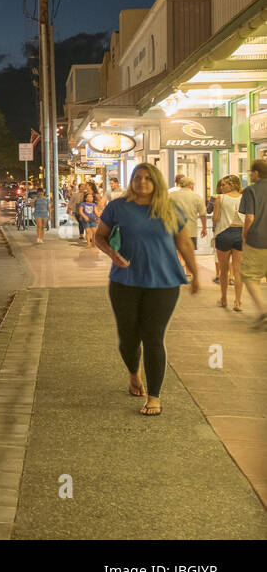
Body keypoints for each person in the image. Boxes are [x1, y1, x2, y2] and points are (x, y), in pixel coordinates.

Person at [95, 163, 198, 416]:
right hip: (124, 281)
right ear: (131, 181)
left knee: (153, 338)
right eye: (138, 177)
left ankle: (154, 396)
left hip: (164, 283)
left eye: (148, 178)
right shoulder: (118, 207)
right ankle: (133, 373)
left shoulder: (170, 208)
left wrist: (195, 274)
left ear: (157, 182)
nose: (142, 182)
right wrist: (112, 254)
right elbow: (100, 236)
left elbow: (183, 242)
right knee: (128, 339)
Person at [236, 159, 267, 326]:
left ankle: (262, 310)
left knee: (250, 276)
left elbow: (249, 217)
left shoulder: (250, 191)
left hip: (258, 241)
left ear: (256, 173)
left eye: (251, 172)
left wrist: (245, 237)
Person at [210, 174, 244, 310]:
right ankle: (238, 301)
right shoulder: (245, 198)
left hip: (224, 234)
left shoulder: (220, 199)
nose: (221, 187)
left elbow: (215, 218)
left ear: (232, 185)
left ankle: (224, 298)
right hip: (241, 234)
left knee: (223, 270)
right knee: (238, 270)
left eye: (224, 184)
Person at [169, 175, 205, 278]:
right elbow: (202, 213)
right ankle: (188, 272)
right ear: (190, 185)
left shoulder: (172, 195)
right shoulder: (196, 196)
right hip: (191, 229)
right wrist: (204, 228)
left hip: (175, 228)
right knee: (189, 251)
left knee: (176, 250)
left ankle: (179, 269)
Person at [78, 182, 100, 249]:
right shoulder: (83, 199)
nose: (85, 186)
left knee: (94, 231)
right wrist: (83, 215)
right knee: (88, 231)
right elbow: (80, 207)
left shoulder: (95, 197)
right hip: (86, 218)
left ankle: (93, 243)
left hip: (93, 217)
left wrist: (98, 214)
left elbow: (99, 204)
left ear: (90, 186)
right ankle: (88, 243)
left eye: (86, 185)